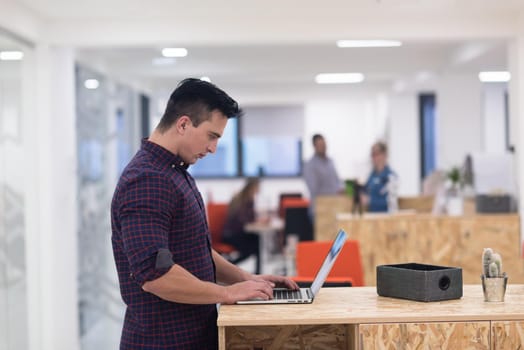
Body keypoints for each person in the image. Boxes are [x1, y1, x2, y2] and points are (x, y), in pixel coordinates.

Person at [111, 78, 298, 350]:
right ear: (184, 124)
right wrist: (226, 293)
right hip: (163, 342)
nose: (213, 149)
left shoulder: (175, 173)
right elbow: (155, 276)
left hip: (195, 333)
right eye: (212, 136)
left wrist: (247, 279)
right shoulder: (147, 180)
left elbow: (196, 248)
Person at [223, 177, 263, 274]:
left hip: (233, 233)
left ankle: (256, 271)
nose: (259, 189)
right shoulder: (245, 200)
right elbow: (243, 220)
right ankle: (230, 266)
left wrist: (257, 221)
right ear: (253, 187)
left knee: (256, 241)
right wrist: (257, 222)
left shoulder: (242, 197)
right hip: (233, 235)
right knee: (254, 245)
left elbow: (248, 219)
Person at [303, 134, 344, 218]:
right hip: (319, 211)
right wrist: (335, 191)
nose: (324, 147)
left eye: (324, 144)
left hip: (333, 209)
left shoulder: (330, 161)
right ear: (314, 146)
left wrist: (342, 188)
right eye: (320, 145)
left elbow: (337, 181)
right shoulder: (310, 165)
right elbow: (314, 190)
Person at [362, 141, 397, 212]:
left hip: (386, 218)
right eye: (372, 155)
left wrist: (370, 200)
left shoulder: (391, 177)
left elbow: (391, 203)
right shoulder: (371, 176)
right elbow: (365, 190)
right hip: (372, 217)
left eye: (376, 154)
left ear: (384, 155)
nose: (374, 158)